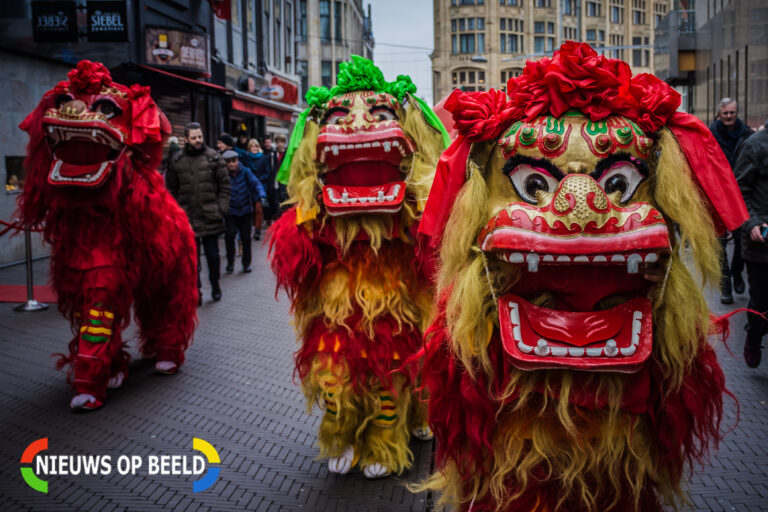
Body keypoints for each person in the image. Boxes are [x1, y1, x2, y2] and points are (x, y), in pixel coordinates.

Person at [167, 122, 230, 303]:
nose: (197, 140)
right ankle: (196, 291)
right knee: (191, 260)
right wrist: (175, 213)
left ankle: (215, 285)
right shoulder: (177, 161)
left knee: (213, 257)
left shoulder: (214, 158)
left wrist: (221, 209)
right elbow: (170, 189)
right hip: (186, 217)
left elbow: (225, 187)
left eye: (199, 137)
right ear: (185, 139)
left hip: (211, 216)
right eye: (193, 138)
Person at [710, 98, 754, 304]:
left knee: (740, 241)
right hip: (718, 195)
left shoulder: (747, 135)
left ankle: (737, 273)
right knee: (719, 243)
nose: (729, 117)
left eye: (732, 113)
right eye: (725, 113)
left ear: (737, 113)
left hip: (740, 195)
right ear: (719, 114)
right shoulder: (710, 135)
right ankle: (726, 286)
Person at [734, 118, 768, 368]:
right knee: (762, 302)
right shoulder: (754, 146)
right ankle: (754, 335)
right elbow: (739, 191)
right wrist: (752, 224)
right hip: (761, 241)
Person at [222, 149, 265, 273]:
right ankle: (230, 263)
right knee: (229, 236)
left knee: (246, 238)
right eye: (229, 162)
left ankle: (246, 264)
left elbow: (256, 183)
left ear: (237, 161)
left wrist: (261, 194)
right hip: (230, 211)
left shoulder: (245, 171)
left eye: (234, 161)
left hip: (245, 210)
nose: (232, 164)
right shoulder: (223, 174)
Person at [234, 138, 270, 240]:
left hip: (260, 187)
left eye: (256, 146)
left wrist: (258, 179)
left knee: (259, 209)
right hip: (249, 187)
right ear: (249, 148)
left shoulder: (264, 158)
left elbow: (268, 173)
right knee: (250, 210)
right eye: (252, 146)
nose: (254, 148)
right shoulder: (246, 159)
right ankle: (248, 230)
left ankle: (257, 231)